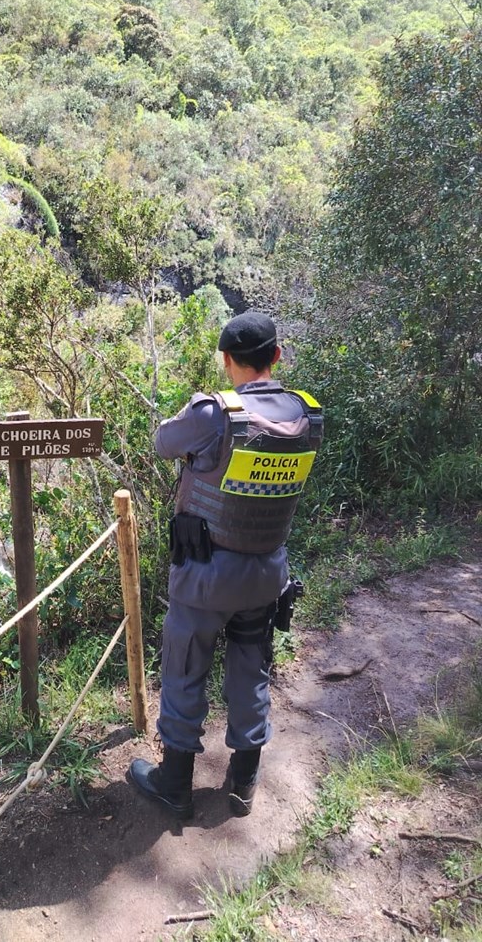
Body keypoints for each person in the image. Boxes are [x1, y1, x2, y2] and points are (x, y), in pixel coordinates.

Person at [128, 311, 323, 819]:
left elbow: (162, 443)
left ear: (227, 360)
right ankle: (243, 782)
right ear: (277, 356)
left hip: (204, 577)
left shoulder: (214, 413)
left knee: (185, 667)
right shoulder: (307, 413)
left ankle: (175, 783)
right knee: (251, 668)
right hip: (266, 575)